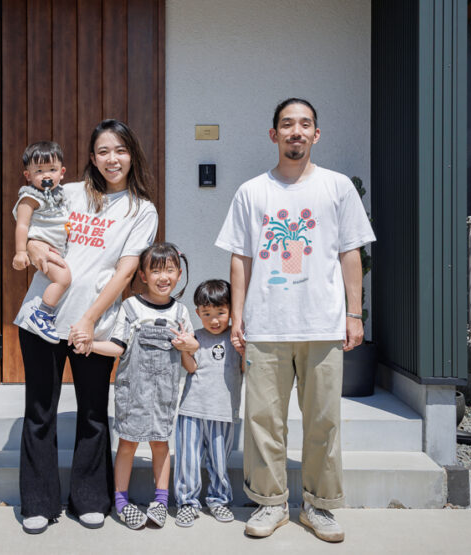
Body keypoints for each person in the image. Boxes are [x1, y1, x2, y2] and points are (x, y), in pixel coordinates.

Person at [215, 98, 375, 543]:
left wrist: (355, 314)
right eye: (287, 124)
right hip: (266, 324)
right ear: (274, 134)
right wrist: (238, 316)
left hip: (322, 323)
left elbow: (351, 253)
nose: (296, 131)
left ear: (316, 134)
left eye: (305, 124)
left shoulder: (338, 187)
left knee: (324, 420)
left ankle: (319, 506)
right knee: (263, 420)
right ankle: (270, 503)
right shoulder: (252, 191)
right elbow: (241, 258)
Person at [14, 119, 158, 535]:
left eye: (120, 150)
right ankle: (38, 503)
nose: (112, 159)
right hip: (42, 318)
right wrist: (34, 247)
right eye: (103, 151)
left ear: (132, 155)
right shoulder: (69, 192)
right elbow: (28, 217)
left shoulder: (141, 209)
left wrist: (90, 319)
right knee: (39, 411)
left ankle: (91, 499)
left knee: (93, 412)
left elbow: (126, 270)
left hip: (93, 326)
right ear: (92, 157)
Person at [86, 242, 198, 529]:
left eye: (170, 270)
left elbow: (190, 364)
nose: (164, 277)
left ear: (179, 274)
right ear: (143, 275)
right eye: (156, 270)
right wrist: (91, 345)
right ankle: (121, 502)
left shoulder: (181, 312)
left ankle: (160, 501)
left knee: (161, 445)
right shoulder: (131, 306)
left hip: (164, 395)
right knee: (127, 444)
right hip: (132, 392)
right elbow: (118, 347)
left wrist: (189, 346)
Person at [173, 278, 243, 528]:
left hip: (223, 410)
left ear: (231, 310)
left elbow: (245, 369)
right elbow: (191, 368)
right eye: (207, 314)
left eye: (221, 313)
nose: (214, 320)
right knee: (188, 459)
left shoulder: (236, 338)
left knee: (219, 460)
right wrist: (184, 349)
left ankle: (219, 500)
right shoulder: (195, 337)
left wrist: (244, 350)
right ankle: (187, 503)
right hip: (191, 408)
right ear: (198, 313)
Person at [12, 140, 72, 343]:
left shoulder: (60, 194)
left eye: (52, 169)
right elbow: (22, 225)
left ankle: (45, 313)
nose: (46, 175)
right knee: (63, 279)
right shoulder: (30, 197)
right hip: (43, 247)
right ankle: (42, 314)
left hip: (57, 248)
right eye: (39, 171)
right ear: (28, 175)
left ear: (61, 172)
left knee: (61, 278)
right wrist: (21, 251)